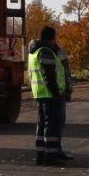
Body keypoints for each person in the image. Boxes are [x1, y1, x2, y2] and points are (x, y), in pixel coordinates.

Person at [28, 24, 72, 165]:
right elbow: (49, 75)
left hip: (41, 94)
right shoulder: (45, 52)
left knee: (43, 125)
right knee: (52, 126)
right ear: (52, 37)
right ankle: (51, 157)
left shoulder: (36, 51)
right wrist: (56, 94)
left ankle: (42, 155)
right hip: (51, 94)